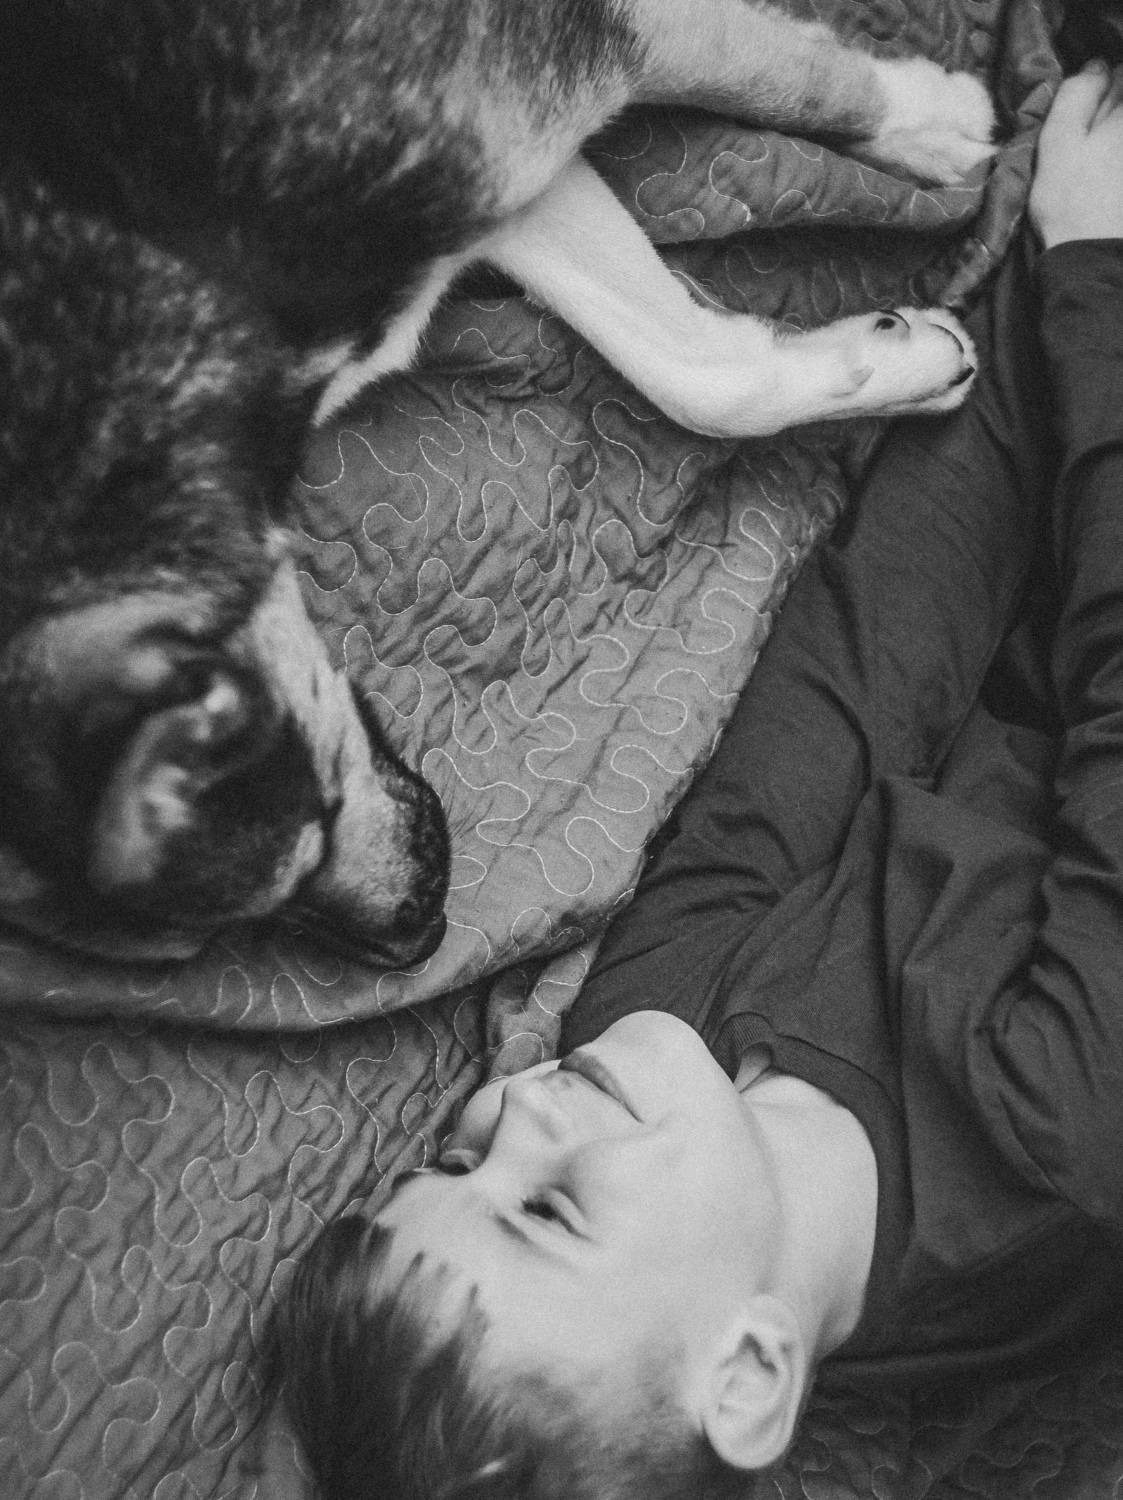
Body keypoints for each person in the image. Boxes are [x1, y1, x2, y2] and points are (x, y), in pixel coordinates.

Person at [276, 60, 1123, 1500]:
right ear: (746, 1376)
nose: (515, 1116)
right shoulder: (1059, 1139)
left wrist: (1033, 295)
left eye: (457, 1164)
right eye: (547, 1211)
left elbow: (864, 667)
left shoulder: (649, 1027)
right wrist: (1098, 283)